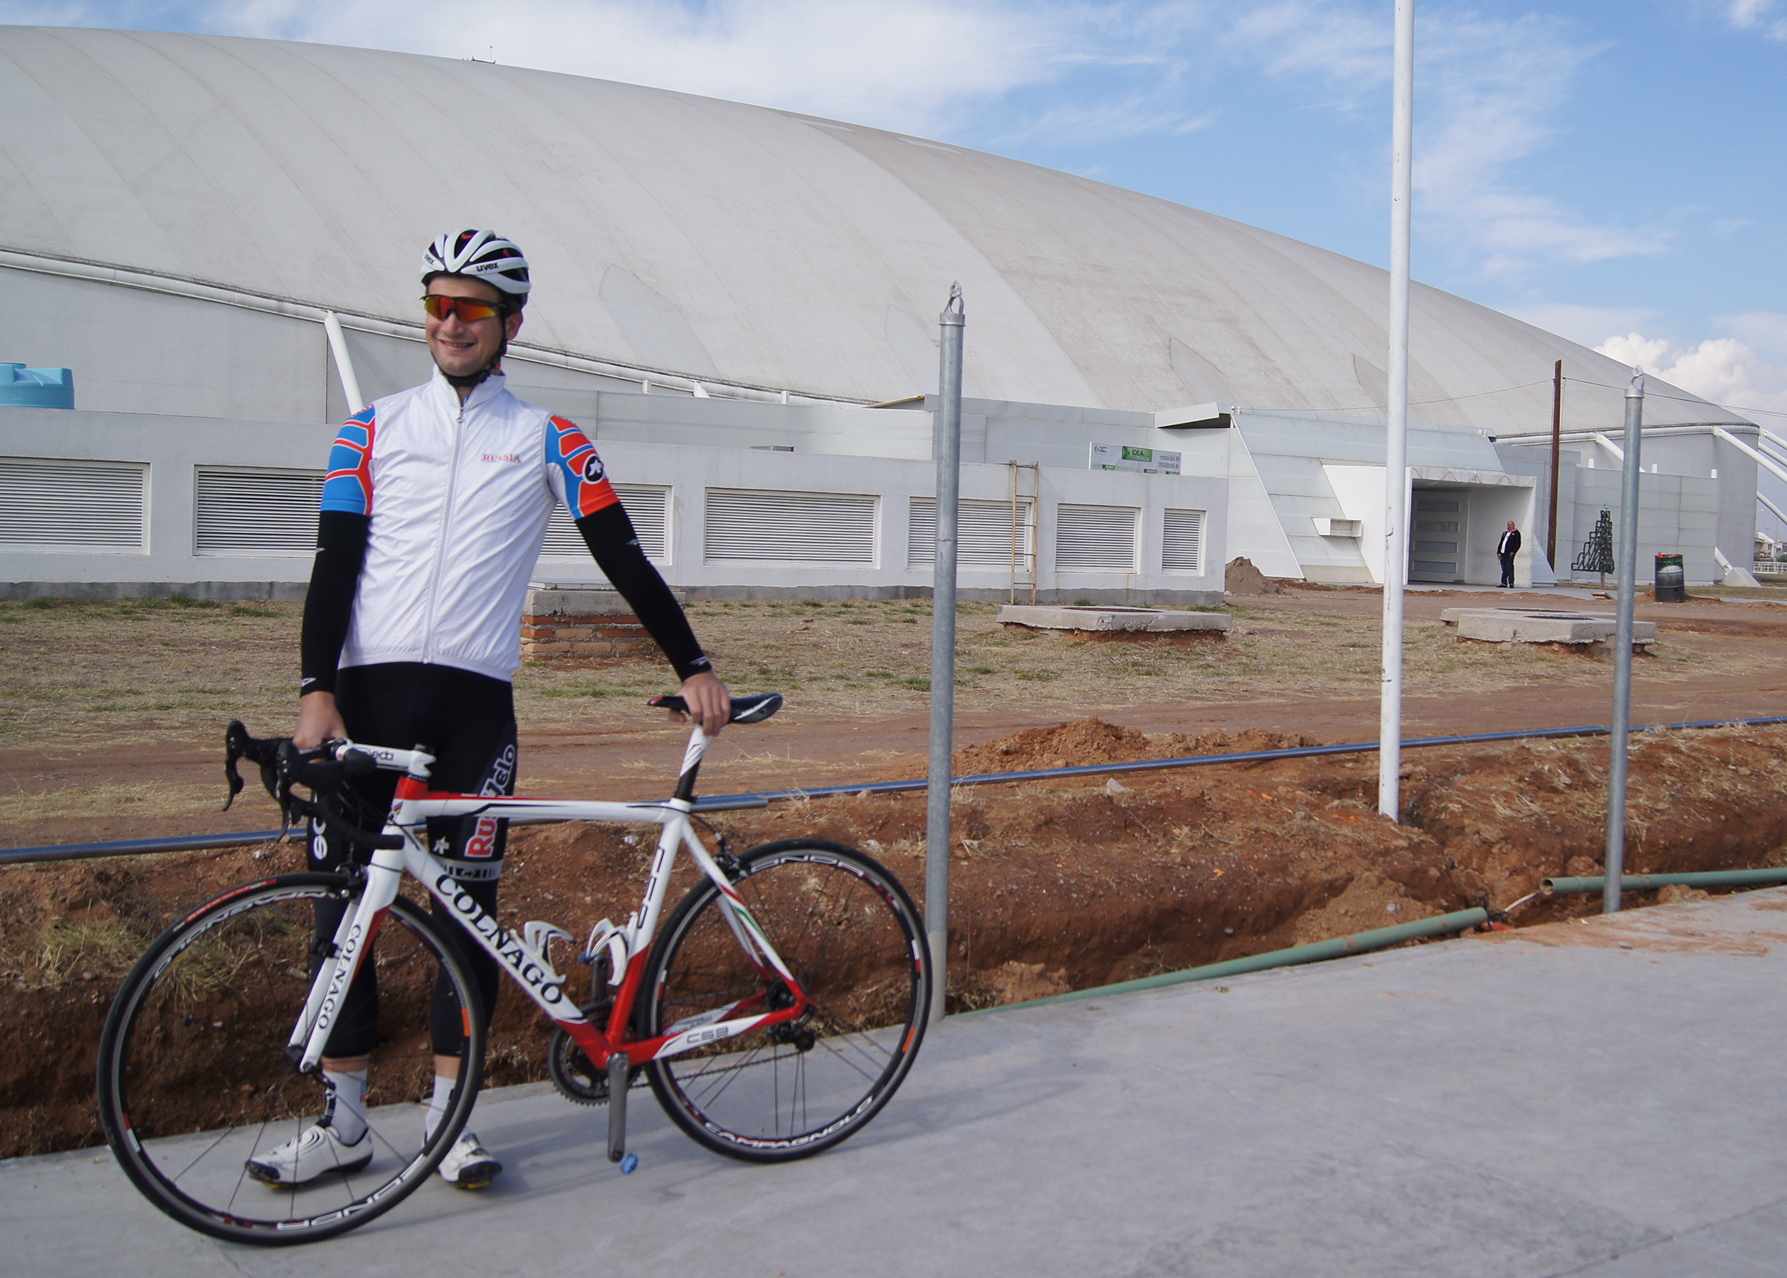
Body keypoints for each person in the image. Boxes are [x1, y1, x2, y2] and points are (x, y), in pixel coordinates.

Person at [246, 228, 729, 1191]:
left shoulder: (549, 437)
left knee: (468, 918)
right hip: (368, 698)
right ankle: (342, 1124)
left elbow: (621, 555)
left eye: (471, 308)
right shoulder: (369, 430)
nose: (450, 323)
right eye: (436, 305)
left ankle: (447, 1121)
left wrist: (693, 662)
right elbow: (332, 565)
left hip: (472, 710)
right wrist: (315, 689)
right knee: (344, 912)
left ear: (509, 324)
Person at [1497, 519, 1522, 588]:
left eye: (1510, 525)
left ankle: (1511, 583)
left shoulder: (1516, 533)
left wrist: (1513, 552)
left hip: (1509, 553)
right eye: (1508, 525)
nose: (1509, 526)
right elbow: (1501, 543)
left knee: (1509, 568)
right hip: (1502, 553)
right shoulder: (1505, 533)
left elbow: (1518, 544)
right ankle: (1504, 583)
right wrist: (1498, 552)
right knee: (1504, 568)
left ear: (1513, 525)